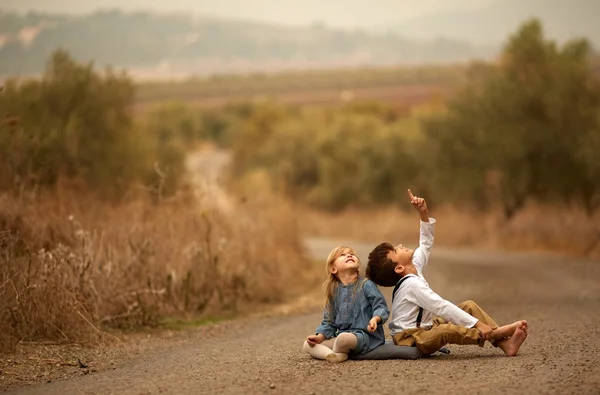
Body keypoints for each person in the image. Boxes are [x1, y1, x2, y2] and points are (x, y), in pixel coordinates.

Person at [366, 189, 528, 357]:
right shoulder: (410, 285)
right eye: (395, 249)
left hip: (427, 327)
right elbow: (440, 306)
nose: (399, 245)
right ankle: (496, 334)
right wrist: (478, 324)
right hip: (411, 338)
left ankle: (505, 344)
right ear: (399, 268)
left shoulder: (413, 267)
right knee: (445, 331)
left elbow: (426, 244)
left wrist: (423, 214)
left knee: (469, 307)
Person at [303, 246, 390, 363]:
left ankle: (337, 352)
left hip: (365, 337)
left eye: (351, 254)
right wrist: (320, 337)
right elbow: (329, 322)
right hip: (342, 337)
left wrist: (376, 318)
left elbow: (380, 306)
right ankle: (334, 355)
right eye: (342, 255)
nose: (349, 255)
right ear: (333, 269)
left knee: (343, 339)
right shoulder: (334, 291)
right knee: (307, 345)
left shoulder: (366, 285)